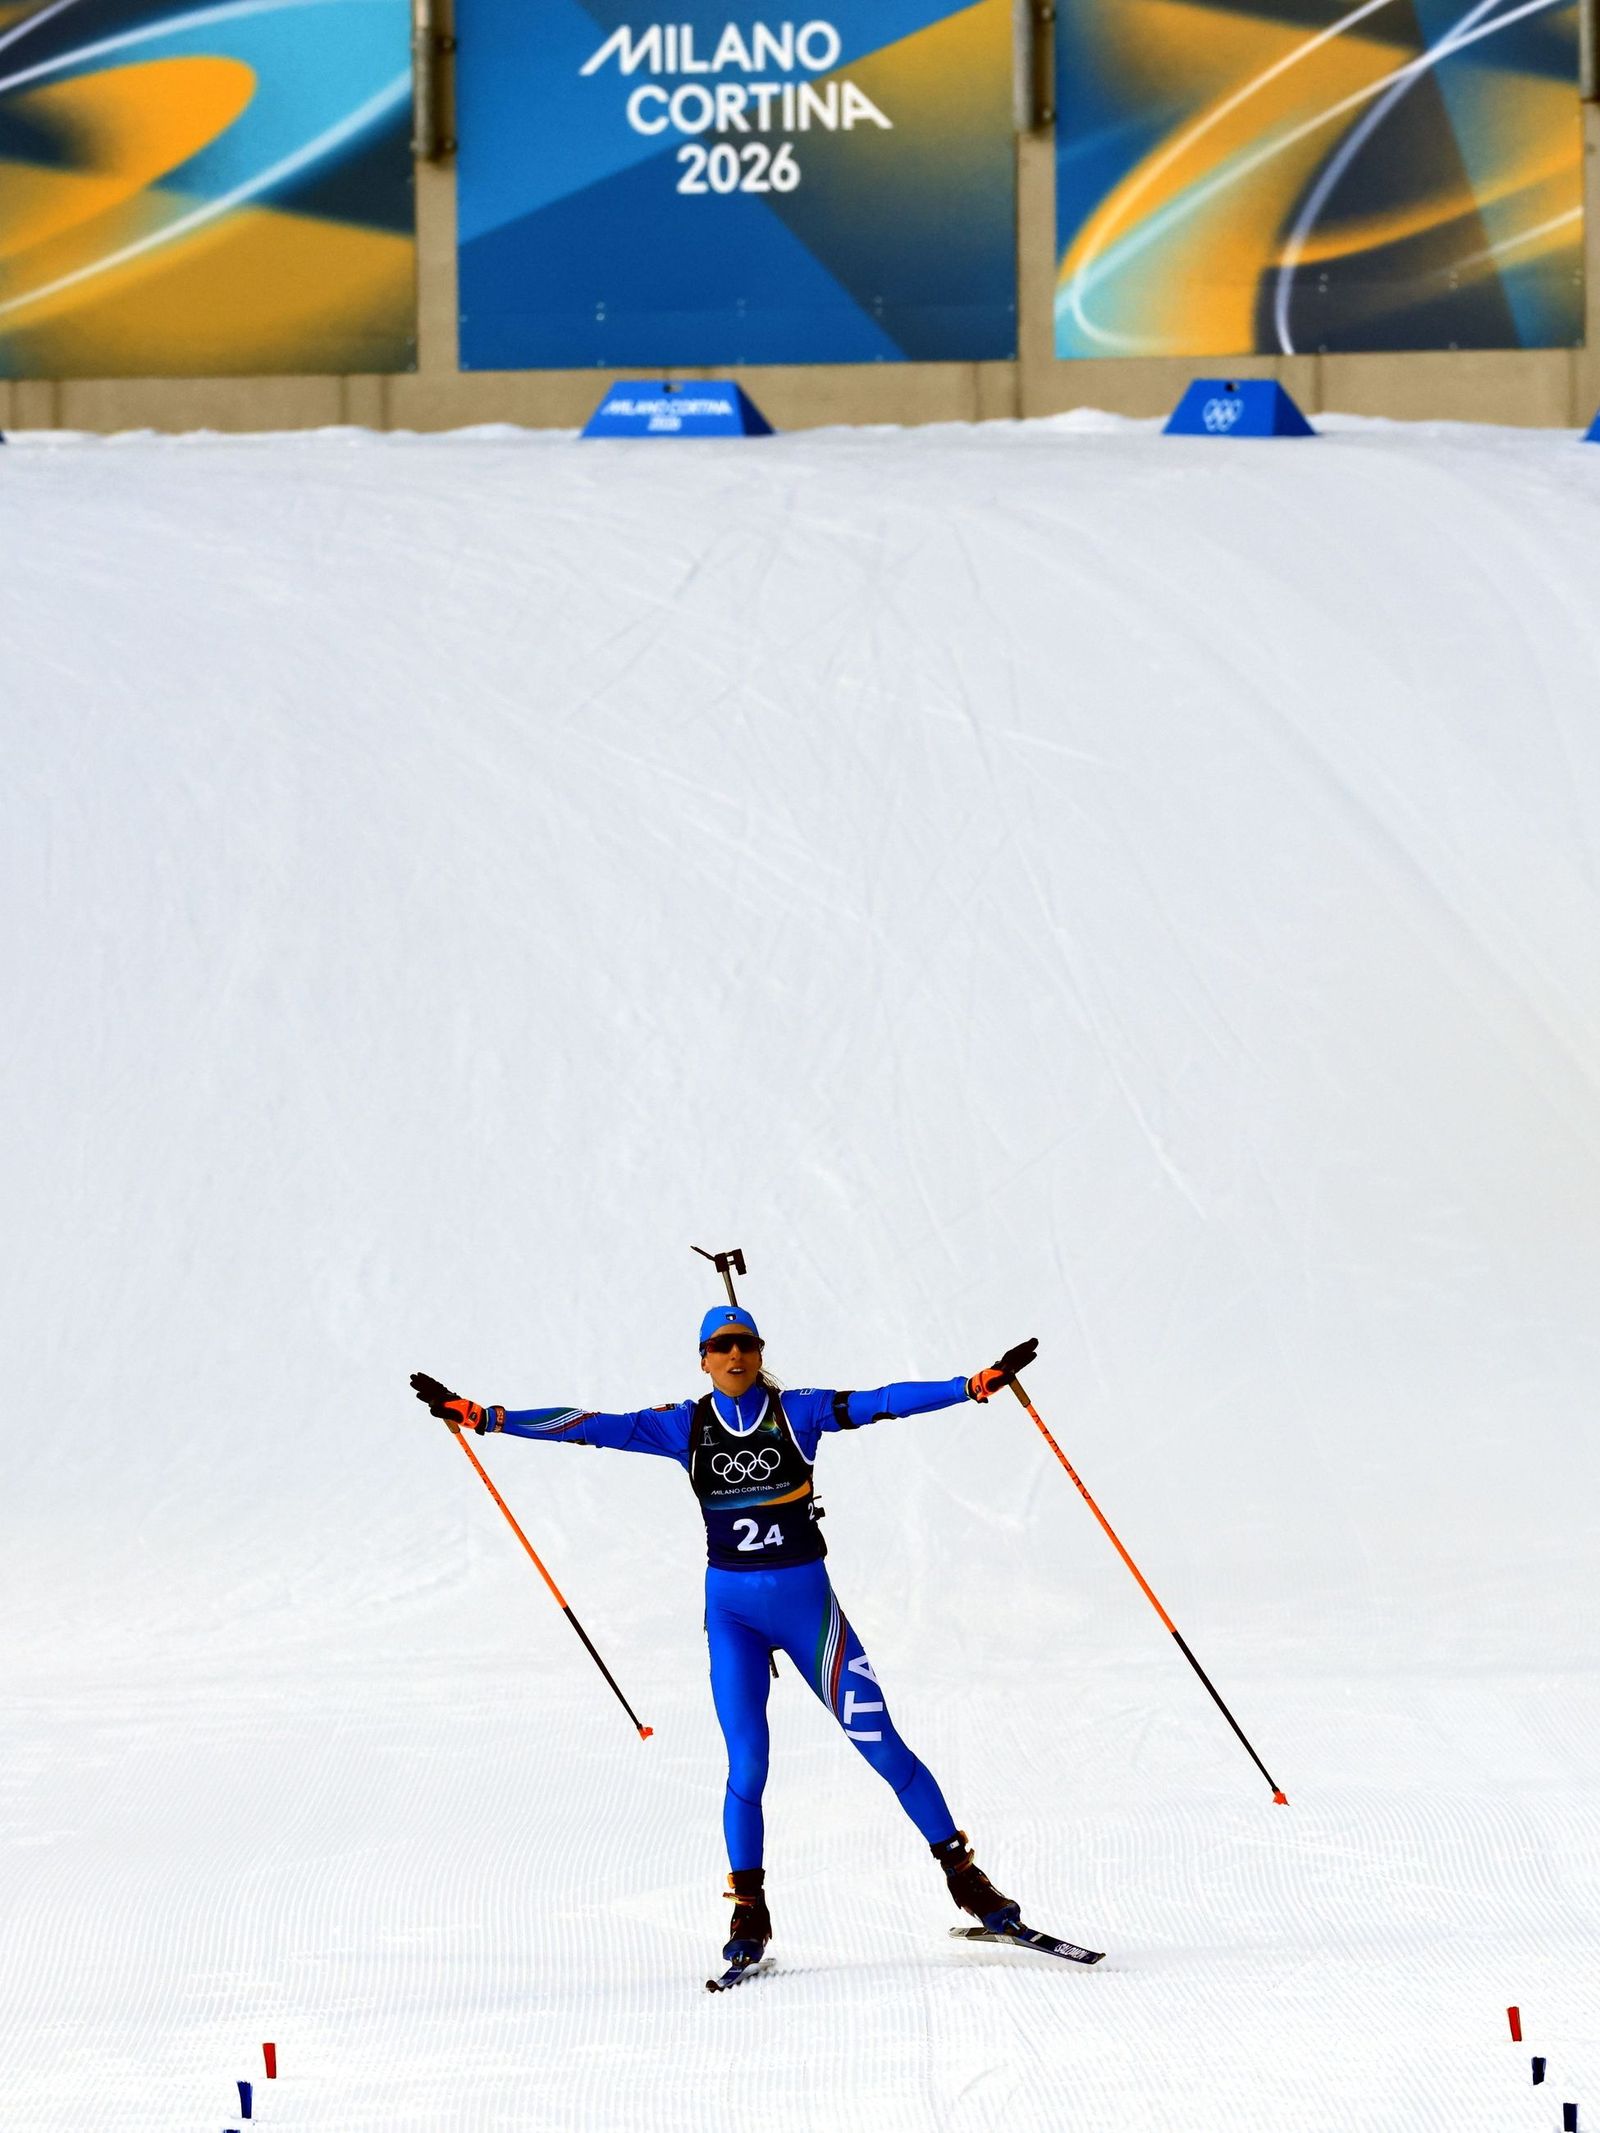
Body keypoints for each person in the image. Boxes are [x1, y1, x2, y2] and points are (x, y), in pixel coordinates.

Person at [410, 1310, 1040, 1973]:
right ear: (704, 1357)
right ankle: (749, 1909)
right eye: (721, 1345)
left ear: (759, 1351)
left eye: (745, 1343)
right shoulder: (684, 1423)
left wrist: (971, 1385)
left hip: (810, 1614)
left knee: (882, 1744)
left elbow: (884, 1401)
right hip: (734, 1618)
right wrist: (484, 1415)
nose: (734, 1354)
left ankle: (968, 1879)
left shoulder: (798, 1412)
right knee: (748, 1766)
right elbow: (589, 1426)